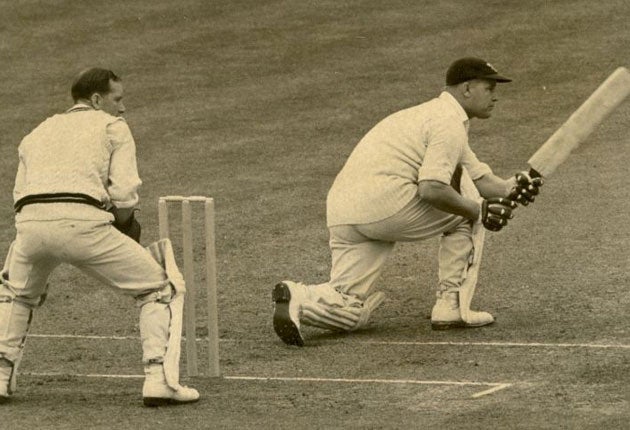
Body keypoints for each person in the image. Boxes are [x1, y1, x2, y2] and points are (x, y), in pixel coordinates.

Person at [272, 57, 543, 347]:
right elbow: (432, 189)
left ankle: (299, 296)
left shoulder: (431, 115)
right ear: (466, 89)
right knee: (469, 209)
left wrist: (514, 186)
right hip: (384, 204)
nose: (495, 96)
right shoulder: (448, 123)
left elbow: (488, 183)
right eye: (489, 88)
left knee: (349, 305)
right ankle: (451, 305)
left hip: (344, 209)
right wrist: (479, 211)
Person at [0, 68, 199, 406]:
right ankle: (158, 379)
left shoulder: (37, 131)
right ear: (96, 99)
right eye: (117, 99)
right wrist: (125, 226)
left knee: (14, 294)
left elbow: (20, 194)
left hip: (30, 225)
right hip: (83, 223)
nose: (122, 108)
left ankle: (0, 377)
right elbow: (124, 196)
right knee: (159, 287)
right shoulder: (112, 127)